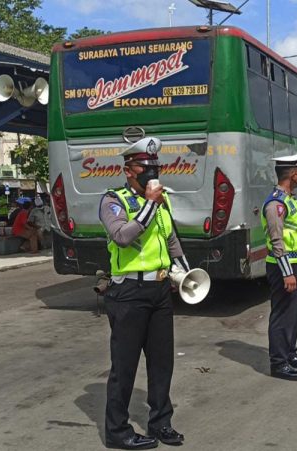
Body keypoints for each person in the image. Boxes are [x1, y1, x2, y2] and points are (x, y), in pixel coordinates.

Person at [98, 137, 189, 449]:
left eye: (155, 167)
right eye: (145, 168)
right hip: (129, 292)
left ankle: (161, 422)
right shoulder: (113, 200)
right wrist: (150, 203)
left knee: (162, 361)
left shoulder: (162, 201)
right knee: (124, 366)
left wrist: (184, 271)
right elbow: (122, 237)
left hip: (160, 288)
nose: (152, 173)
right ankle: (117, 432)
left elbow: (169, 236)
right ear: (128, 170)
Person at [262, 153, 297, 381]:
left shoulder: (289, 199)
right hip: (281, 268)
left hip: (293, 266)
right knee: (282, 316)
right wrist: (287, 273)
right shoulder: (276, 203)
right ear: (293, 173)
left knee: (294, 314)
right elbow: (277, 242)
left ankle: (290, 353)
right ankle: (279, 363)